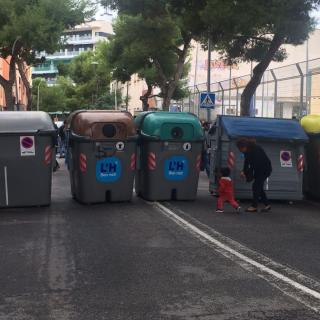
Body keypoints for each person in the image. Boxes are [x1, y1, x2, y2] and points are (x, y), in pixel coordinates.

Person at [237, 138, 272, 213]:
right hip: (258, 169)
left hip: (265, 169)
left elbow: (255, 164)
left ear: (244, 147)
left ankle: (254, 206)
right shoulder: (247, 151)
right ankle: (267, 205)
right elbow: (246, 162)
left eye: (240, 149)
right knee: (258, 187)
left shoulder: (256, 149)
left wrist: (247, 173)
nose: (240, 151)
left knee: (256, 186)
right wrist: (243, 171)